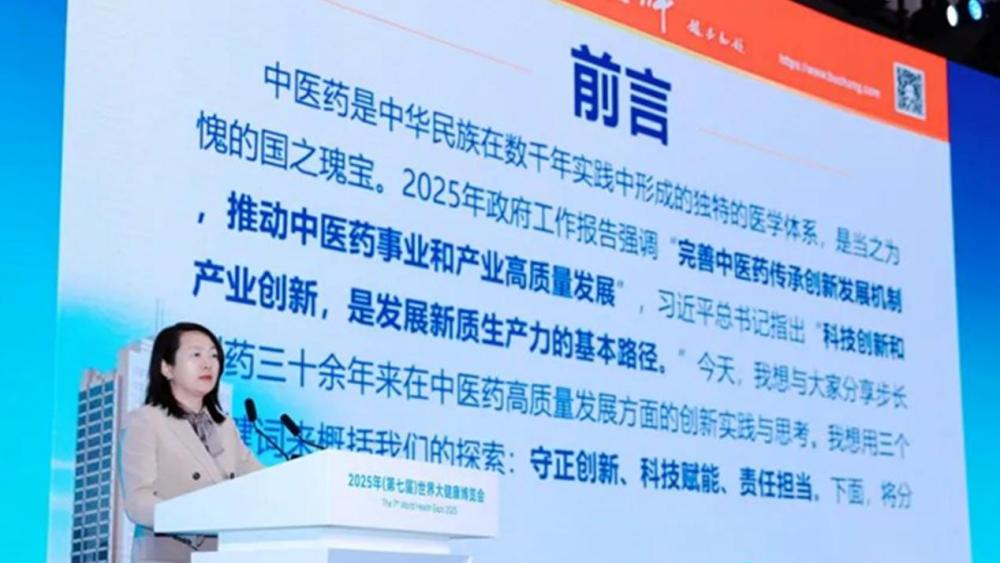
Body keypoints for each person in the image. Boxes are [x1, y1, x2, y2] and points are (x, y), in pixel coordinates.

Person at [118, 322, 262, 562]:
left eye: (213, 355)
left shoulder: (224, 425)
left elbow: (257, 479)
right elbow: (138, 501)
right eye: (196, 355)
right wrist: (194, 516)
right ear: (167, 368)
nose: (208, 364)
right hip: (169, 554)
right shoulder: (145, 420)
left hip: (221, 554)